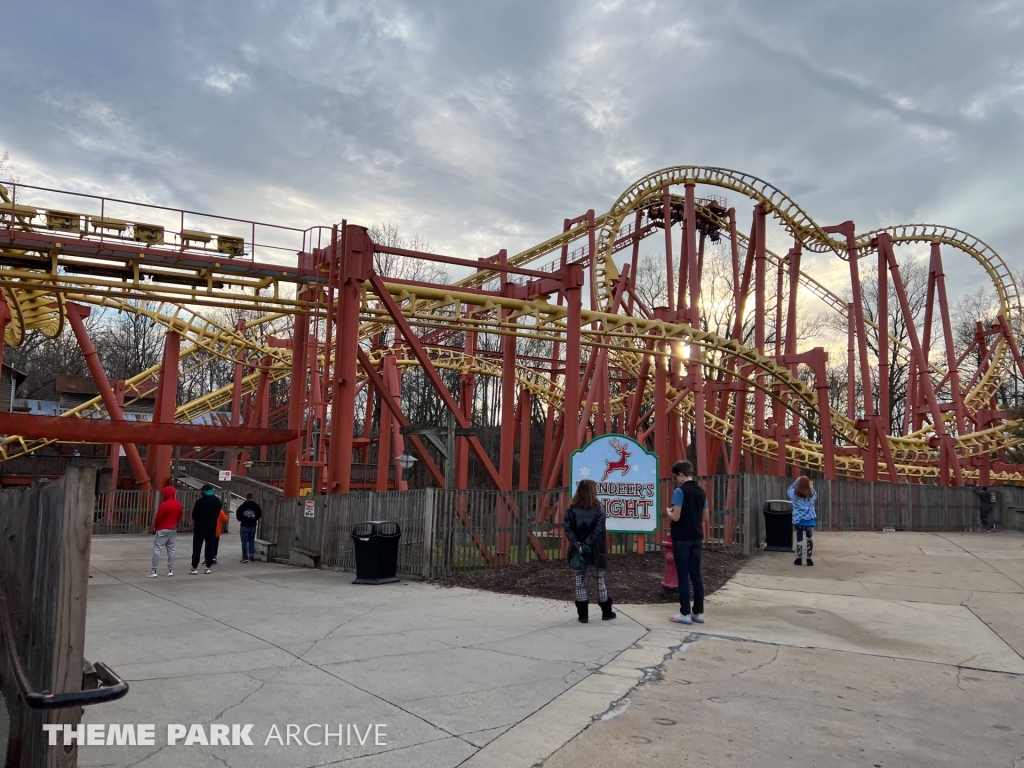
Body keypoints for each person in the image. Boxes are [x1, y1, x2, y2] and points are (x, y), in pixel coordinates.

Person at [565, 479, 615, 623]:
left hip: (578, 550)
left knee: (580, 580)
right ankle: (606, 611)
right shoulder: (599, 509)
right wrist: (587, 545)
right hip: (596, 550)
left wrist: (577, 545)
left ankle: (583, 615)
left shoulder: (571, 509)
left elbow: (569, 529)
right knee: (600, 580)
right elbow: (598, 532)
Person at [666, 461, 708, 625]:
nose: (676, 479)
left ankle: (684, 613)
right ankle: (698, 612)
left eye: (677, 476)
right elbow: (705, 517)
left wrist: (669, 513)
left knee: (682, 575)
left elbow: (676, 516)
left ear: (682, 475)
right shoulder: (701, 492)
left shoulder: (679, 491)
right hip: (697, 536)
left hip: (682, 537)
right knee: (696, 574)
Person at [150, 485, 182, 578]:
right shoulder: (178, 504)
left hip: (162, 529)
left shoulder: (164, 505)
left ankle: (154, 570)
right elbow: (179, 516)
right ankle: (170, 570)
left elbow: (158, 518)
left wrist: (156, 527)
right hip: (172, 529)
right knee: (171, 550)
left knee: (157, 550)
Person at [190, 484, 222, 574]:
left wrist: (199, 520)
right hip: (212, 526)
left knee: (197, 546)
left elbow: (194, 514)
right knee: (210, 546)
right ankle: (208, 566)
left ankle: (194, 567)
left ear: (204, 491)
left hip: (200, 526)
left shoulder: (200, 501)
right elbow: (218, 513)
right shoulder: (217, 501)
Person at [788, 476, 817, 566]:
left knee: (799, 538)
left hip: (799, 519)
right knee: (809, 538)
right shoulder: (812, 493)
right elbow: (814, 494)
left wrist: (797, 481)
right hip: (809, 518)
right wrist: (809, 485)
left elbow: (789, 489)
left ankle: (799, 558)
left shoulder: (794, 493)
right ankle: (809, 559)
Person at [236, 493, 263, 562]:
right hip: (252, 525)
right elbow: (259, 514)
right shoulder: (256, 506)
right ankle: (251, 554)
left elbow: (238, 516)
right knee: (251, 540)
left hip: (244, 525)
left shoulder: (242, 506)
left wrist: (243, 519)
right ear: (252, 497)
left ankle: (245, 557)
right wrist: (253, 519)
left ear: (246, 497)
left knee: (244, 541)